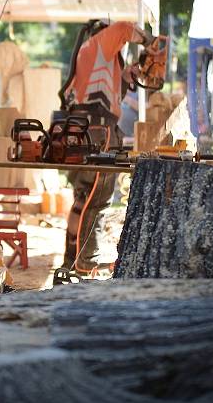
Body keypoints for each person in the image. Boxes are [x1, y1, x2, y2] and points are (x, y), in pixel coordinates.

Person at [60, 21, 166, 273]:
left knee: (83, 198)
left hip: (88, 128)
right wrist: (149, 41)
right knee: (97, 199)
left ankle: (72, 259)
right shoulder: (98, 44)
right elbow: (122, 28)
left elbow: (105, 94)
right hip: (98, 131)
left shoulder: (92, 56)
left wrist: (124, 77)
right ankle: (85, 260)